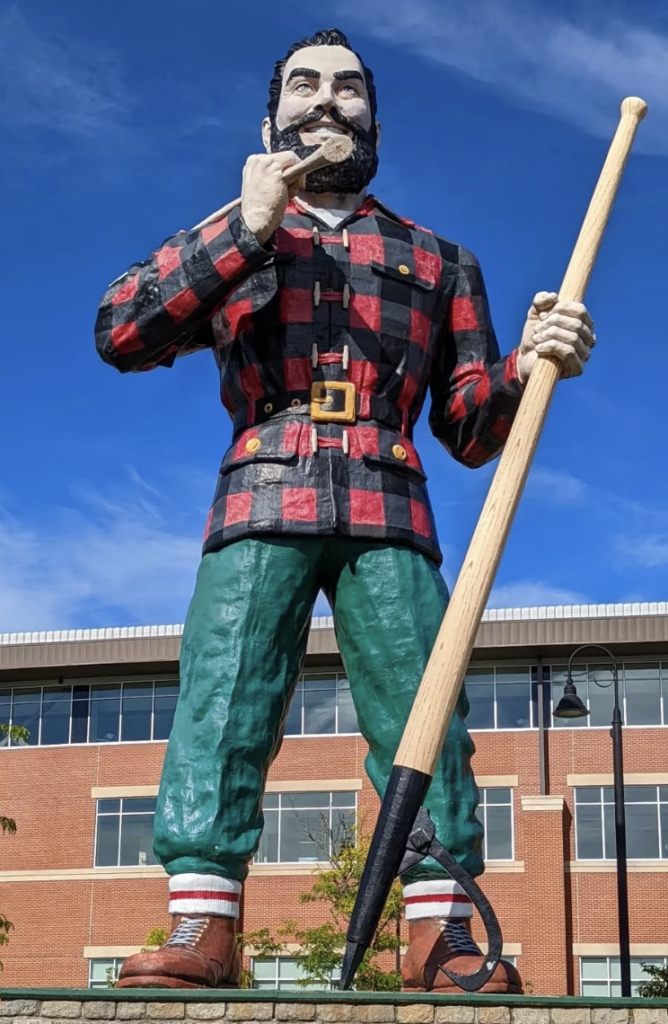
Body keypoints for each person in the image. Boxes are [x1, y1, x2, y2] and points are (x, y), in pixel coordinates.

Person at [95, 28, 595, 992]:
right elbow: (121, 330)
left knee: (424, 706)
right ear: (271, 116)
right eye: (306, 87)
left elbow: (471, 427)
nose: (329, 103)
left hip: (391, 494)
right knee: (224, 695)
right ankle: (204, 929)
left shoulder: (437, 257)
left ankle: (439, 934)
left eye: (350, 89)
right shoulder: (234, 230)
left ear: (374, 115)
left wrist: (531, 369)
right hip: (261, 483)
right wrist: (240, 231)